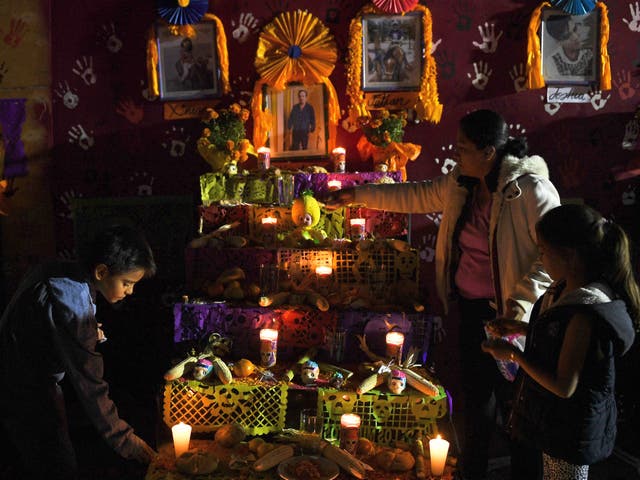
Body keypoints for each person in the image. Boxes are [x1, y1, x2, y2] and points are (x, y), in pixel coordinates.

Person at [324, 109, 561, 480]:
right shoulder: (462, 183)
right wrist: (358, 195)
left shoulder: (529, 190)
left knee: (518, 414)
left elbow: (553, 257)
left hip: (512, 321)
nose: (457, 153)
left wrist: (520, 304)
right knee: (474, 408)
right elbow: (416, 195)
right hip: (470, 312)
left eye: (464, 148)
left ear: (489, 152)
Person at [482, 204, 638, 480]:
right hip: (555, 421)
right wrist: (520, 328)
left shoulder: (585, 312)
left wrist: (513, 355)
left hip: (572, 429)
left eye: (543, 251)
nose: (540, 259)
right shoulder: (564, 290)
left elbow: (564, 386)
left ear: (569, 256)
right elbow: (560, 340)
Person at [0, 224, 158, 479]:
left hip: (18, 370)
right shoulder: (72, 308)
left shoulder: (60, 270)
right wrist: (126, 441)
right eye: (127, 283)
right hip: (26, 385)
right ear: (101, 271)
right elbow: (91, 384)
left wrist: (87, 328)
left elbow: (46, 320)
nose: (130, 291)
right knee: (55, 460)